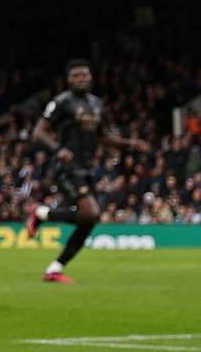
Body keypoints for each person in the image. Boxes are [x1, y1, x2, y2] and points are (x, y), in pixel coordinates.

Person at [24, 59, 150, 283]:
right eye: (76, 76)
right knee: (90, 213)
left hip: (88, 167)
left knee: (89, 221)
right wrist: (58, 149)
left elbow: (103, 136)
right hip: (66, 166)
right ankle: (40, 212)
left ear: (91, 78)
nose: (81, 79)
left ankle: (55, 268)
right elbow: (39, 132)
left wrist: (129, 144)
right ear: (68, 80)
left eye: (84, 75)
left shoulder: (97, 104)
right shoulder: (61, 102)